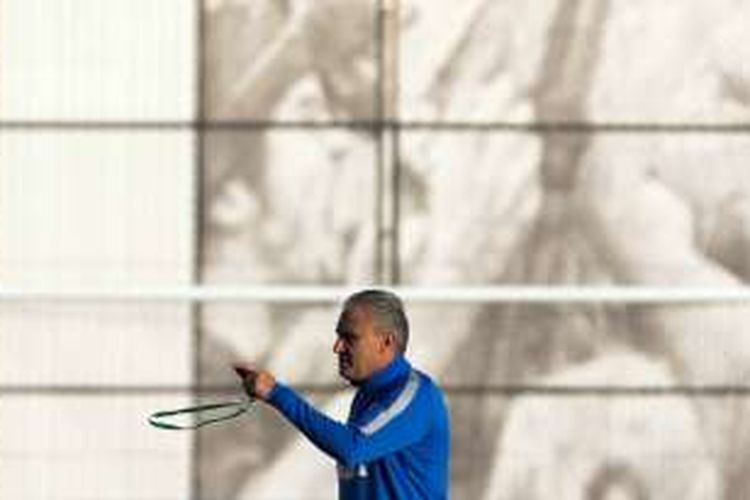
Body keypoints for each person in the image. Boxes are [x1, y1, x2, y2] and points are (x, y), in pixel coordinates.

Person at [233, 289, 451, 500]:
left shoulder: (416, 396)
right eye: (338, 336)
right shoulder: (366, 396)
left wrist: (276, 393)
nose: (337, 347)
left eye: (350, 338)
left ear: (386, 342)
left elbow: (352, 447)